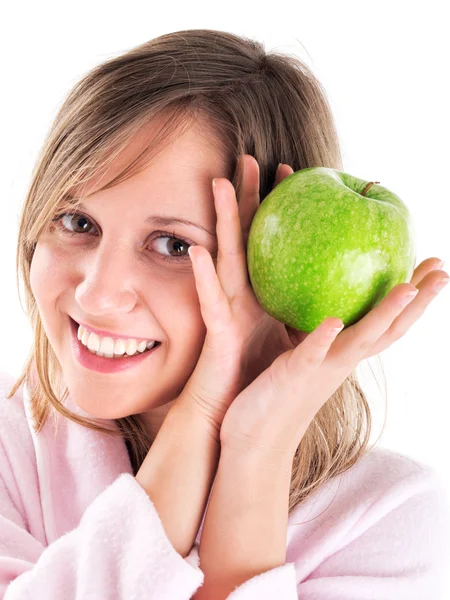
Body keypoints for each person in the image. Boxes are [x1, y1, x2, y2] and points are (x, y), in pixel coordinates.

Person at [1, 28, 449, 600]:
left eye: (173, 245)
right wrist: (204, 411)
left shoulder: (393, 521)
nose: (97, 295)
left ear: (272, 265)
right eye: (78, 223)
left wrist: (258, 448)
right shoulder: (10, 448)